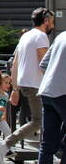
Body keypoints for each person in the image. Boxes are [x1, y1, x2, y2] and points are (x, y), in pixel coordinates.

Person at [0, 7, 53, 164]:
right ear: (46, 21)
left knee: (43, 120)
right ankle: (6, 144)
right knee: (39, 121)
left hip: (27, 84)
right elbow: (44, 63)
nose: (53, 24)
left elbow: (15, 63)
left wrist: (16, 89)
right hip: (37, 85)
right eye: (52, 21)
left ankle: (45, 155)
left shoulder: (26, 36)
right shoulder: (41, 37)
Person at [37, 30, 66, 164]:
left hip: (47, 91)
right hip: (62, 92)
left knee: (47, 144)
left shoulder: (61, 36)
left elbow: (43, 65)